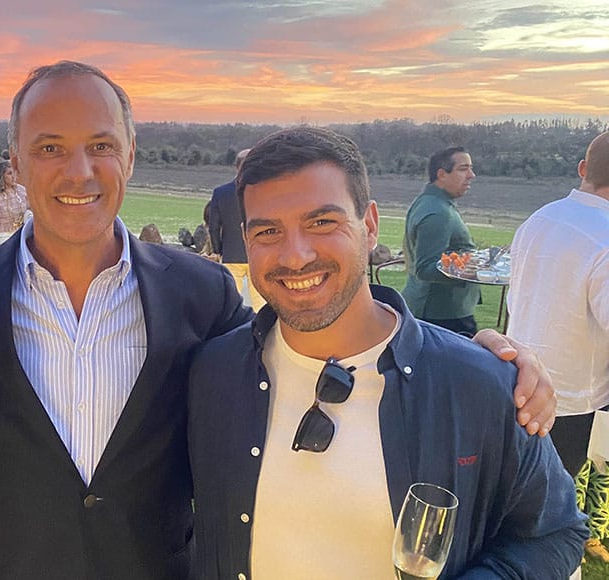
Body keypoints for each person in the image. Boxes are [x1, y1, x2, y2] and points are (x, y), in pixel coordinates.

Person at [0, 62, 558, 580]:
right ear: (17, 162)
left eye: (101, 146)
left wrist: (465, 353)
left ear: (130, 154)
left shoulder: (199, 297)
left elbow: (316, 321)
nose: (79, 172)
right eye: (51, 149)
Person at [188, 127, 586, 579]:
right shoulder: (211, 374)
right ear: (246, 238)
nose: (295, 256)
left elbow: (555, 532)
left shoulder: (479, 385)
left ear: (370, 225)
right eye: (268, 231)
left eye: (322, 222)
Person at [509, 130, 609, 561]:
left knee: (517, 496)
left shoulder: (542, 216)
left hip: (516, 381)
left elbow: (516, 296)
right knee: (549, 517)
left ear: (584, 170)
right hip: (571, 400)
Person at [402, 146, 481, 336]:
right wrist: (472, 271)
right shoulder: (438, 212)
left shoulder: (432, 202)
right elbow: (425, 268)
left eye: (470, 168)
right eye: (463, 169)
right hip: (441, 316)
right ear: (441, 174)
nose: (472, 175)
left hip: (442, 311)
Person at [208, 147, 266, 311]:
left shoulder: (220, 192)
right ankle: (261, 333)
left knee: (231, 303)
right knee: (260, 303)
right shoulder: (265, 192)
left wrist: (218, 250)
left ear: (236, 166)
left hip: (231, 254)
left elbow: (214, 226)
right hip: (257, 253)